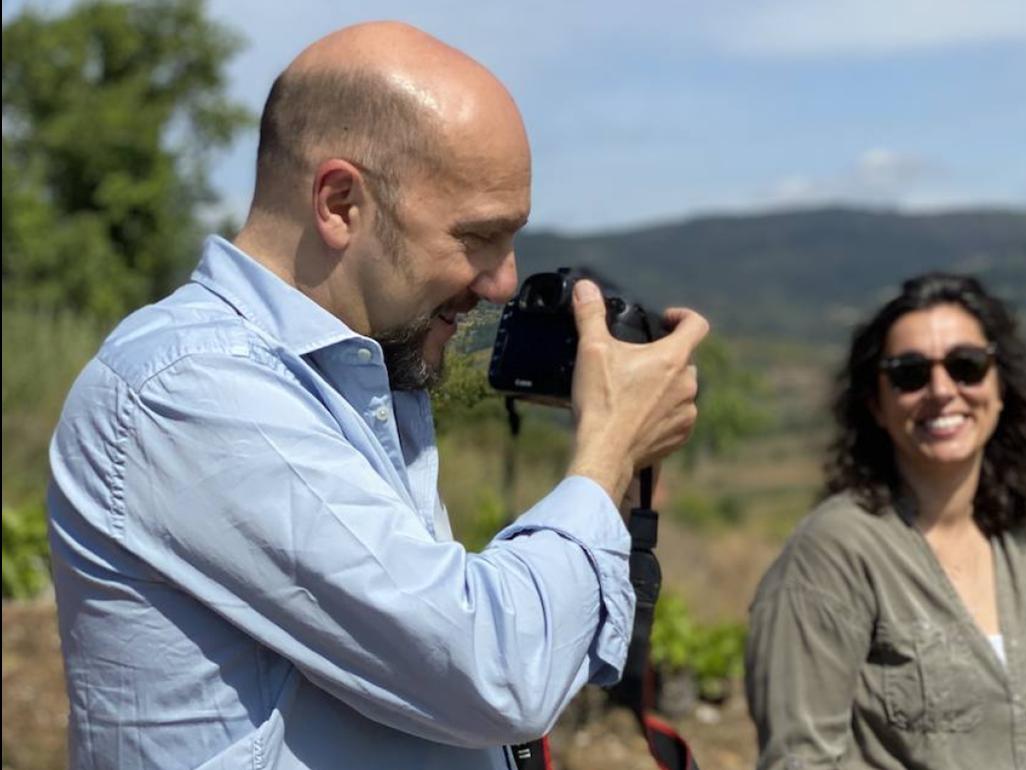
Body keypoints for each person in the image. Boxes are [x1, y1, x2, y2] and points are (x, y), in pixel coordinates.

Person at [46, 22, 707, 770]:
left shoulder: (356, 379)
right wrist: (608, 448)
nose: (500, 282)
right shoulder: (193, 389)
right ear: (339, 203)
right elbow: (491, 672)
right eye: (478, 237)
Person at [745, 273, 1026, 770]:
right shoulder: (835, 554)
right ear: (877, 404)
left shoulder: (1017, 532)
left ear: (1000, 386)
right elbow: (798, 759)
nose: (942, 390)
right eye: (910, 374)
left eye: (966, 366)